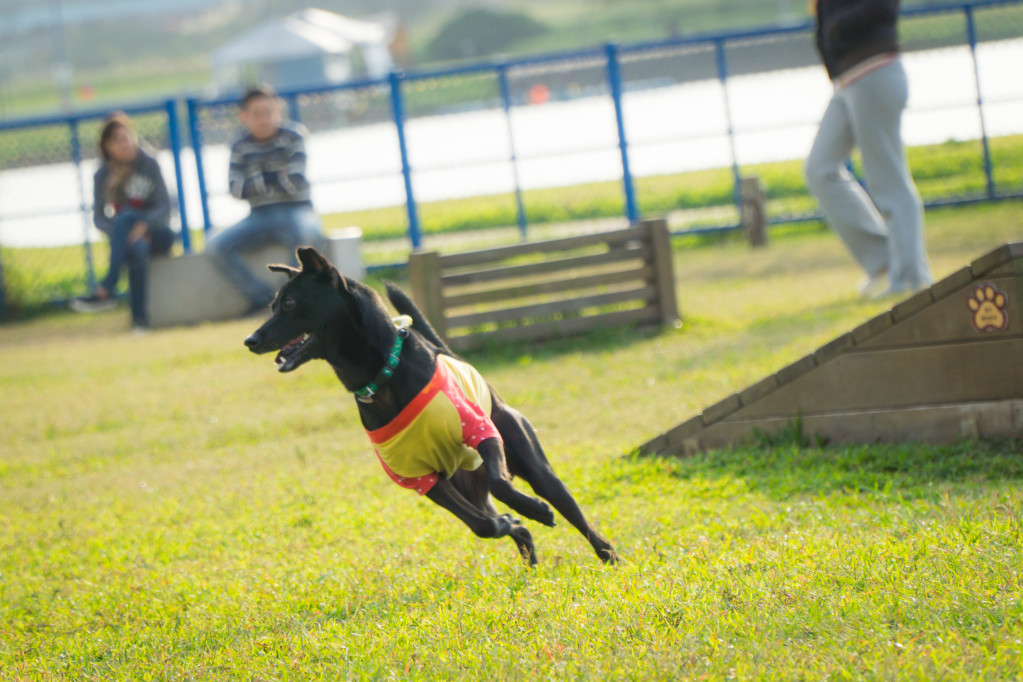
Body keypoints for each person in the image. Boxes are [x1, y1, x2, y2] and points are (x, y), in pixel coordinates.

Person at [804, 0, 933, 298]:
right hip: (847, 81)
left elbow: (884, 6)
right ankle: (884, 262)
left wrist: (836, 26)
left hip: (875, 71)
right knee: (819, 169)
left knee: (888, 180)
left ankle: (911, 278)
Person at [205, 85, 324, 315]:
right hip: (258, 216)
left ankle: (293, 300)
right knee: (215, 246)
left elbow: (296, 181)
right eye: (256, 114)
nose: (264, 119)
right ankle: (261, 298)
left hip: (298, 210)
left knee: (310, 237)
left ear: (278, 110)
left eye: (268, 111)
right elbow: (236, 189)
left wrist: (257, 181)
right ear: (244, 117)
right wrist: (274, 177)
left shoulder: (294, 135)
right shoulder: (239, 146)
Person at [71, 113, 175, 329]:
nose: (126, 143)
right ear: (107, 146)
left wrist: (144, 225)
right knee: (136, 247)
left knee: (127, 216)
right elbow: (99, 218)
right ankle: (139, 322)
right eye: (118, 140)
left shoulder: (149, 164)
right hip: (129, 241)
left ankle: (107, 287)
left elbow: (165, 206)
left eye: (128, 137)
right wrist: (124, 233)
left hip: (159, 234)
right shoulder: (102, 175)